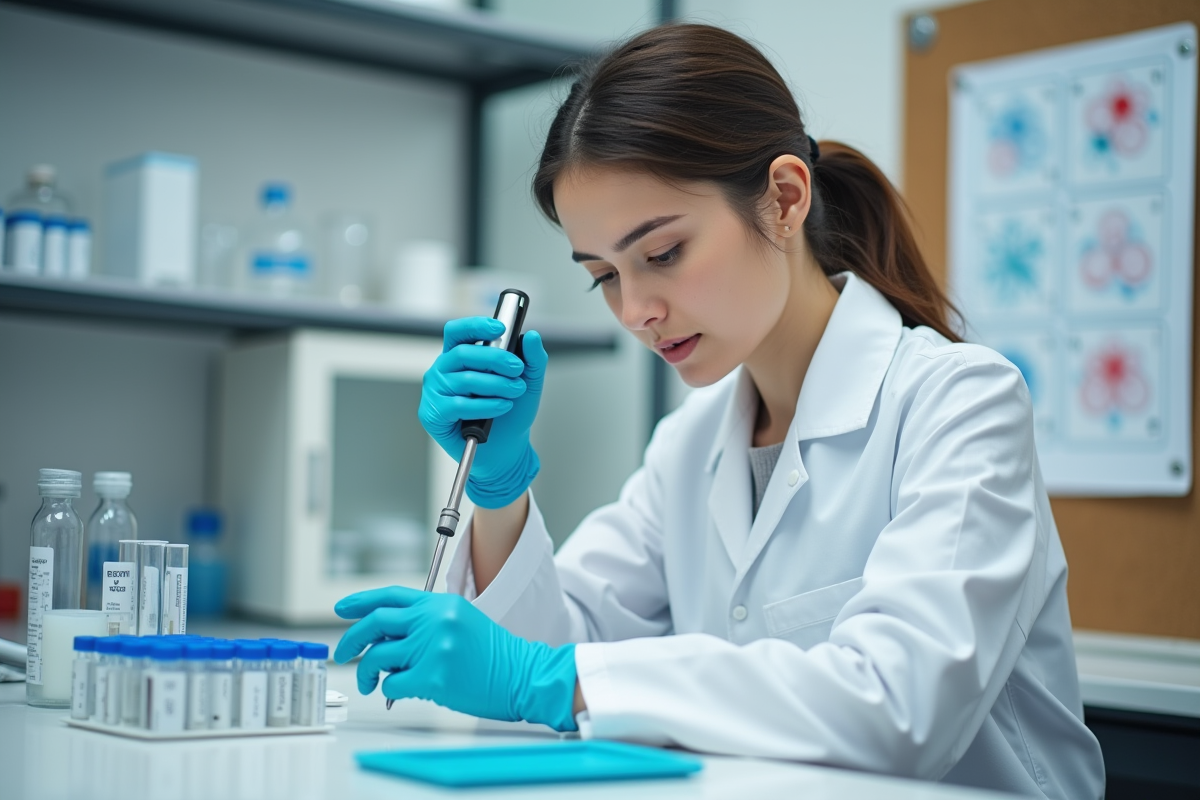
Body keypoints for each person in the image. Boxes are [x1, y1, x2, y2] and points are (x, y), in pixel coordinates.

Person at [332, 23, 1105, 799]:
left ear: (784, 199)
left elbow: (898, 709)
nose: (635, 310)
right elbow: (551, 663)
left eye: (662, 254)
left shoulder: (959, 402)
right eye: (603, 274)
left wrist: (543, 676)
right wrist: (499, 491)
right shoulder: (692, 443)